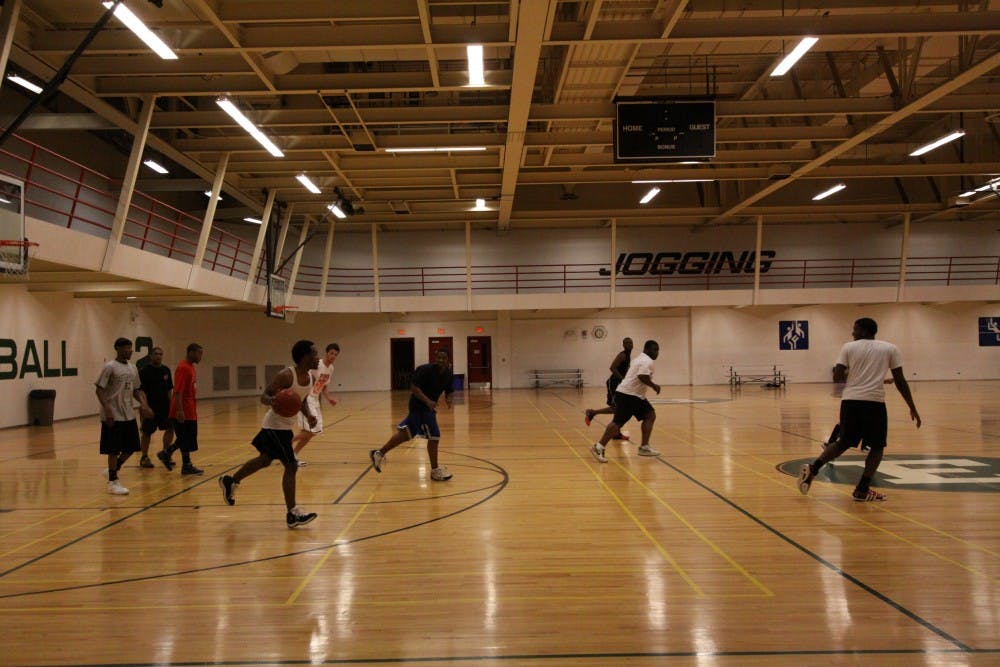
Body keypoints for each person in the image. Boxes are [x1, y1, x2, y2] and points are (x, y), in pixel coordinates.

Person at [798, 318, 921, 502]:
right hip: (874, 403)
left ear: (864, 331)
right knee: (877, 447)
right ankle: (862, 489)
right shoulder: (890, 348)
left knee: (843, 442)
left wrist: (856, 377)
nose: (852, 333)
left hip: (850, 401)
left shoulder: (848, 347)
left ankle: (813, 468)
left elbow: (837, 376)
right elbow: (900, 380)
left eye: (855, 329)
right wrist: (912, 407)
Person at [219, 340, 319, 528]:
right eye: (315, 353)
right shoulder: (286, 375)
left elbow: (301, 401)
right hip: (274, 426)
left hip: (285, 427)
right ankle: (293, 513)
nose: (318, 358)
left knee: (264, 460)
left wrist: (309, 416)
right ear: (305, 356)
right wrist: (274, 400)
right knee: (291, 466)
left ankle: (230, 480)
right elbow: (264, 396)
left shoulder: (309, 378)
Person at [369, 348, 455, 481]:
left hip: (428, 408)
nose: (441, 360)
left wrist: (449, 398)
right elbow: (414, 388)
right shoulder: (425, 370)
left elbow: (449, 390)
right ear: (435, 358)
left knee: (406, 434)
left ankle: (379, 453)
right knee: (434, 436)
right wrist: (427, 401)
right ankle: (435, 471)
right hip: (419, 406)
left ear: (448, 360)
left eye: (444, 358)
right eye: (439, 357)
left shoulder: (448, 374)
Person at [95, 337, 153, 495]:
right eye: (127, 348)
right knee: (113, 449)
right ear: (118, 349)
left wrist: (144, 405)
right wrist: (107, 409)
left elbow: (136, 390)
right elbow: (99, 389)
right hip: (113, 414)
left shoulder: (133, 368)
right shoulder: (110, 367)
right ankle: (112, 482)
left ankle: (113, 469)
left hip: (128, 413)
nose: (130, 351)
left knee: (132, 447)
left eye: (131, 348)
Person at [590, 339, 662, 463]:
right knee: (617, 423)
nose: (657, 353)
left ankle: (644, 447)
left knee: (650, 415)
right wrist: (654, 385)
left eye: (658, 350)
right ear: (647, 349)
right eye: (655, 350)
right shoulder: (646, 361)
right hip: (628, 395)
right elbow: (642, 376)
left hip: (635, 396)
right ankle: (599, 447)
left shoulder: (638, 358)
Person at [157, 343, 204, 475]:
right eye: (199, 353)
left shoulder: (191, 367)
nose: (201, 356)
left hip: (190, 409)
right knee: (185, 437)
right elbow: (178, 391)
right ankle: (174, 458)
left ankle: (174, 458)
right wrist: (179, 410)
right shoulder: (183, 368)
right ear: (191, 353)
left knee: (186, 438)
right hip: (183, 409)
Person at [292, 343, 340, 465]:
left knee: (313, 432)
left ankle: (293, 454)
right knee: (311, 430)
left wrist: (329, 399)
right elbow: (303, 374)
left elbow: (324, 386)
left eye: (336, 354)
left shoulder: (331, 368)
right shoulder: (316, 364)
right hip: (306, 399)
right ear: (326, 353)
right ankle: (284, 445)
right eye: (331, 353)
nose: (333, 356)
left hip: (315, 400)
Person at [584, 337, 633, 440]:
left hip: (620, 385)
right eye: (627, 343)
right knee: (616, 408)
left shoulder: (628, 356)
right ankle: (592, 413)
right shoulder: (622, 355)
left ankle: (616, 433)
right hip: (613, 383)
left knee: (619, 409)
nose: (629, 344)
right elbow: (612, 367)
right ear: (623, 345)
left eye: (630, 343)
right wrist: (622, 379)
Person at [138, 346, 174, 469]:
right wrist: (144, 407)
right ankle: (144, 457)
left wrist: (172, 405)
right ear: (151, 356)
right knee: (147, 432)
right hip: (150, 408)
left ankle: (165, 453)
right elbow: (141, 391)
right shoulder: (144, 371)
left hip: (165, 407)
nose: (158, 356)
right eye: (156, 354)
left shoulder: (166, 370)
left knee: (170, 428)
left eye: (160, 354)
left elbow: (169, 390)